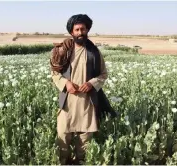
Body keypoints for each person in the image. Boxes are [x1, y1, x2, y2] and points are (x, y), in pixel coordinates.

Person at [50, 14, 117, 165]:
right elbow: (54, 73)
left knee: (84, 143)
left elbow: (103, 74)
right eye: (77, 29)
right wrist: (66, 83)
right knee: (63, 138)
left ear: (87, 30)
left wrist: (92, 83)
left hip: (87, 103)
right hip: (67, 102)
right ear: (72, 32)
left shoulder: (94, 52)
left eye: (83, 29)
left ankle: (80, 162)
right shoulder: (63, 51)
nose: (81, 32)